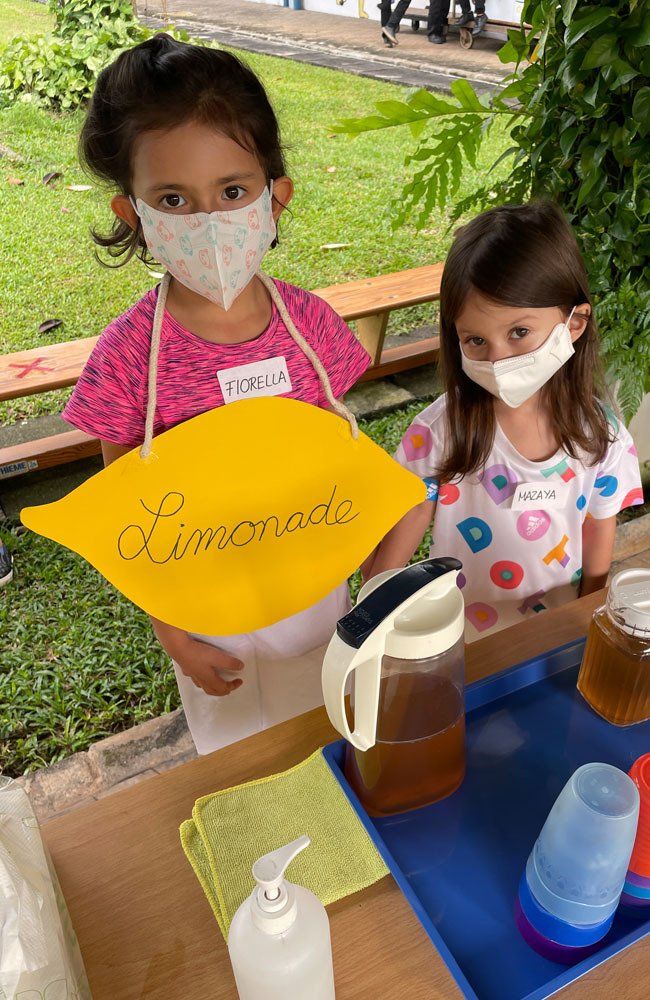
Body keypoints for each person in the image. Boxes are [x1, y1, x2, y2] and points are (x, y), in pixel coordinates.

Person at [62, 34, 371, 754]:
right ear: (134, 212)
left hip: (319, 599)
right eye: (174, 199)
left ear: (274, 196)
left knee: (330, 742)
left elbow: (347, 462)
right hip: (207, 618)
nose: (207, 220)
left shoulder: (314, 329)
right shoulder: (127, 360)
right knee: (237, 765)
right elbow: (125, 523)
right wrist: (173, 635)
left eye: (231, 192)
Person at [366, 201, 643, 640]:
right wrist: (372, 613)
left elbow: (597, 525)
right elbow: (410, 515)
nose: (498, 359)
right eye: (476, 340)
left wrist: (589, 618)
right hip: (460, 639)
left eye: (518, 332)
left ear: (575, 323)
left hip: (557, 633)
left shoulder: (600, 435)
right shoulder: (439, 432)